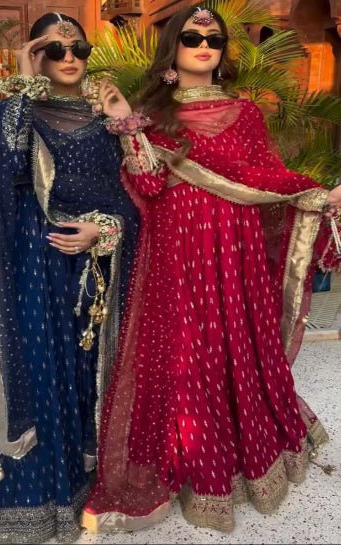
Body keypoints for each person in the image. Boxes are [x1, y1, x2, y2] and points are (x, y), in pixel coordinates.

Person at [82, 5, 341, 533]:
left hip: (235, 246)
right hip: (176, 247)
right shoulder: (152, 113)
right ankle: (186, 459)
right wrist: (127, 122)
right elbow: (147, 184)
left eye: (214, 39)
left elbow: (264, 176)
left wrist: (315, 194)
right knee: (184, 347)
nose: (204, 46)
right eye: (192, 37)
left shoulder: (245, 112)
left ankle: (244, 457)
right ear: (172, 47)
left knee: (233, 339)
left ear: (223, 51)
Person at [0, 12, 140, 543]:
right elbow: (4, 173)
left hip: (92, 267)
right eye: (54, 50)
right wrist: (23, 83)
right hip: (36, 263)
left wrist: (104, 229)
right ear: (38, 57)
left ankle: (81, 475)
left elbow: (136, 195)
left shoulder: (105, 119)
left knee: (82, 367)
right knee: (38, 365)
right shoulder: (19, 111)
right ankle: (34, 496)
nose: (69, 58)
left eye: (78, 48)